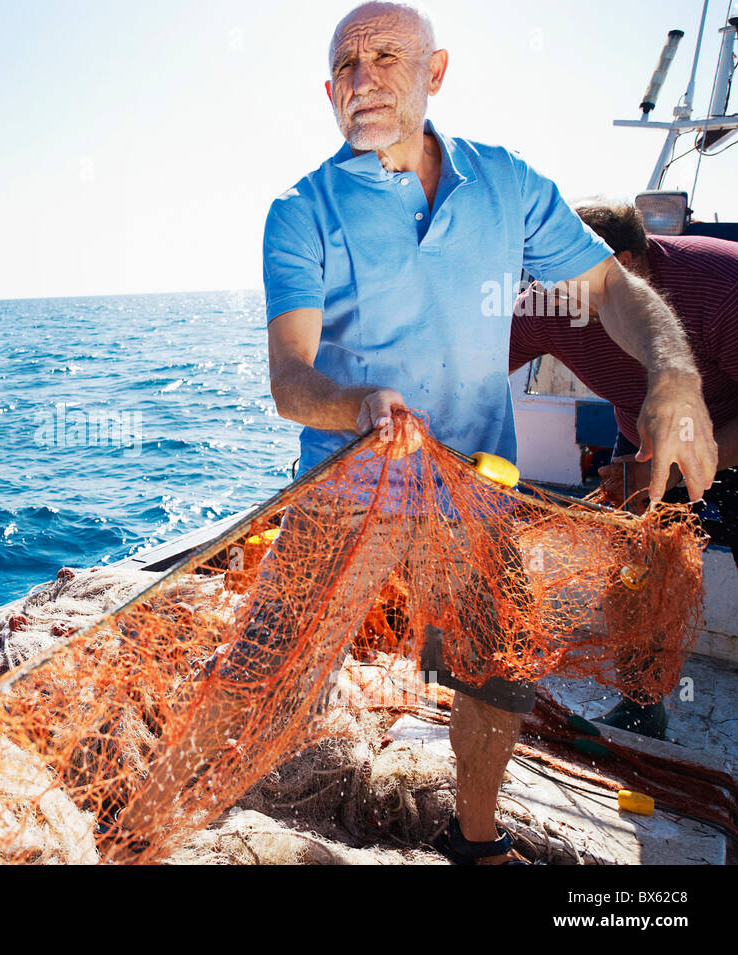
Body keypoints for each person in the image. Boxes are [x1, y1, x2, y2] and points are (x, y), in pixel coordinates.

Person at [117, 1, 717, 864]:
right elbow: (290, 378)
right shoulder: (302, 210)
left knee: (496, 671)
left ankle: (473, 840)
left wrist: (675, 374)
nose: (364, 80)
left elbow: (613, 292)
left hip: (475, 483)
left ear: (435, 74)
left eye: (387, 57)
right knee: (266, 675)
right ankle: (143, 827)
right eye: (347, 67)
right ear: (328, 92)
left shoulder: (506, 183)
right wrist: (357, 403)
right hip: (348, 486)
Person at [510, 198, 738, 737]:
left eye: (570, 281)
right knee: (634, 568)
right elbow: (469, 366)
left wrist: (671, 472)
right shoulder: (548, 302)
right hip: (646, 436)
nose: (554, 299)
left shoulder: (720, 286)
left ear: (630, 267)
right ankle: (640, 704)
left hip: (726, 426)